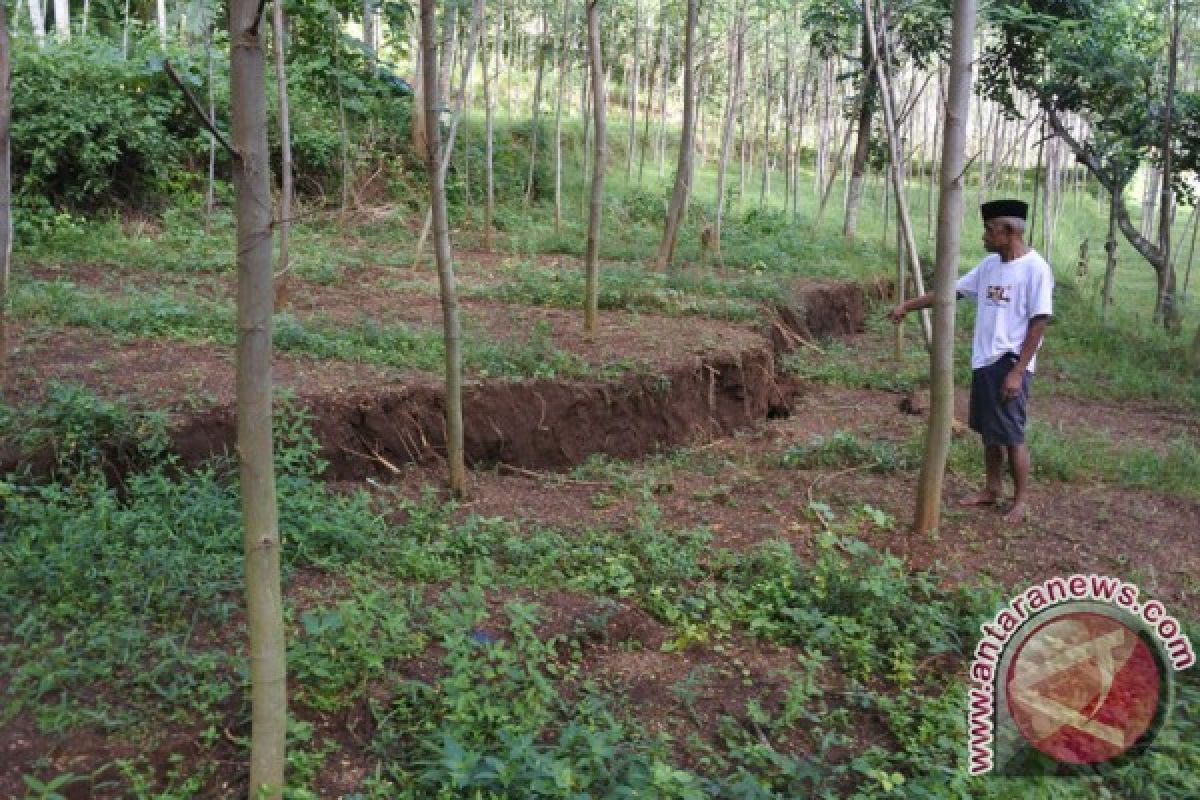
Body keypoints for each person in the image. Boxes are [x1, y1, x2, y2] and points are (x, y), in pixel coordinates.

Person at [887, 199, 1054, 523]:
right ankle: (992, 489)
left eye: (990, 230)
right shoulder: (990, 266)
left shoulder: (1036, 269)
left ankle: (1020, 501)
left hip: (1009, 362)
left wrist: (1018, 371)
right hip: (985, 361)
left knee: (1012, 435)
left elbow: (1039, 323)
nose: (984, 236)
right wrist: (908, 305)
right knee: (989, 432)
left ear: (1008, 231)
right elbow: (951, 292)